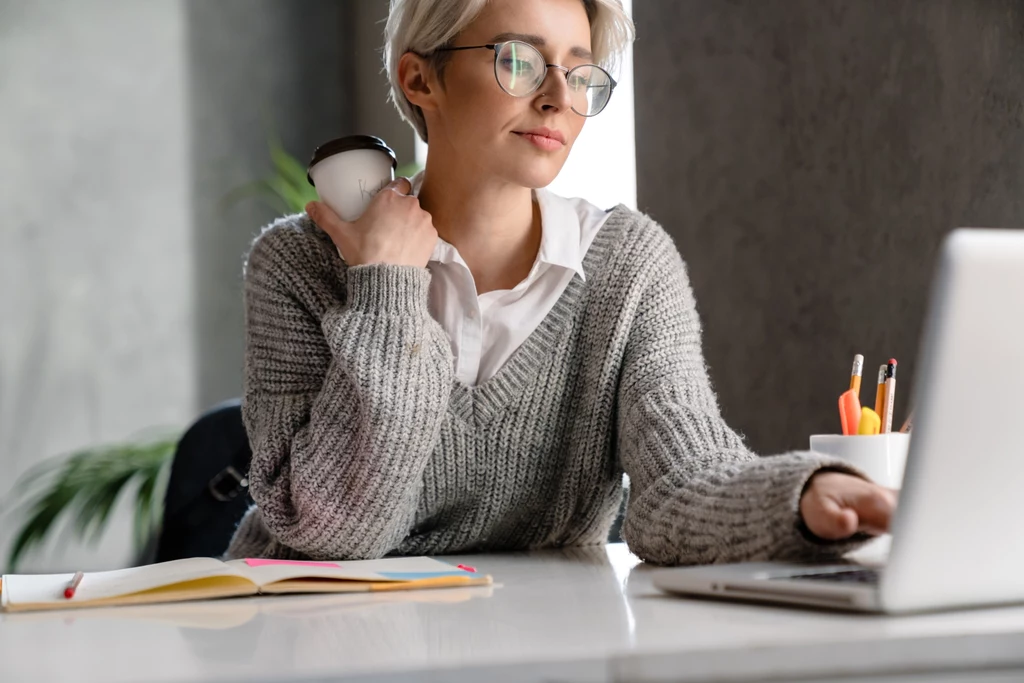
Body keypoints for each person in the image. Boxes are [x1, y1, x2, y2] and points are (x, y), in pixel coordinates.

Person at [224, 0, 896, 564]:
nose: (557, 98)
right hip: (312, 646)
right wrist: (388, 286)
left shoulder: (628, 266)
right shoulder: (297, 265)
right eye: (517, 59)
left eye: (579, 72)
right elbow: (337, 531)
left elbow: (682, 481)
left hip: (545, 643)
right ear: (419, 79)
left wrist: (803, 497)